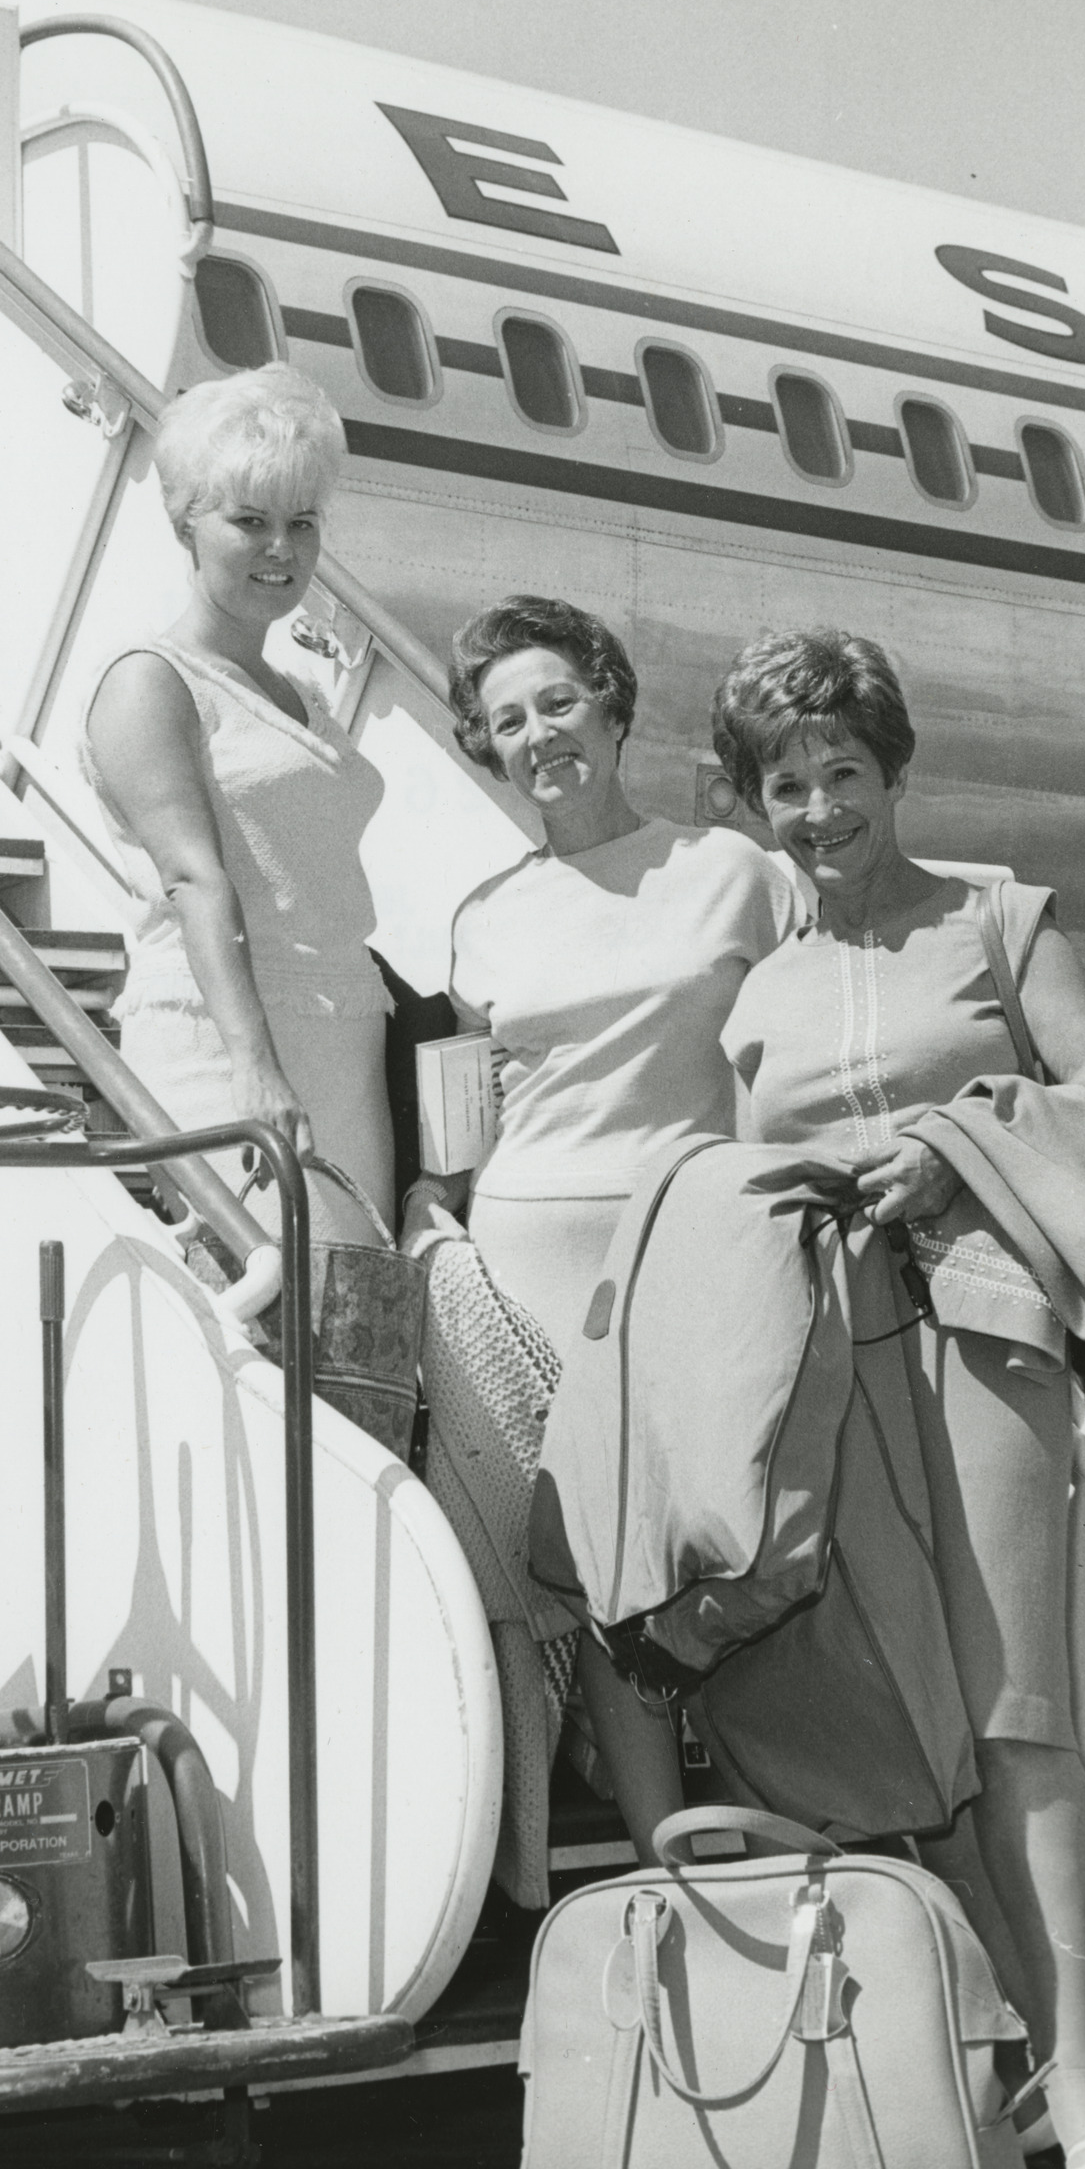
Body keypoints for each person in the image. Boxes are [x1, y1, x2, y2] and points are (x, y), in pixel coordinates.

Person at [710, 625, 1085, 2169]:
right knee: (896, 1716)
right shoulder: (755, 987)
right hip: (819, 1359)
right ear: (754, 802)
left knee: (1013, 1700)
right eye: (786, 783)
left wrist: (953, 1151)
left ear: (893, 771)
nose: (820, 806)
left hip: (980, 1332)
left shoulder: (994, 918)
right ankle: (1006, 2060)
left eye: (843, 771)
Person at [412, 593, 802, 1863]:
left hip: (695, 1247)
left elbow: (788, 1059)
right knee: (600, 1567)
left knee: (725, 1540)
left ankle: (786, 1805)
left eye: (559, 704)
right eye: (508, 719)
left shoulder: (733, 872)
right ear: (487, 745)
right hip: (532, 1262)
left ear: (614, 705)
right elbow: (465, 1115)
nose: (539, 736)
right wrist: (435, 1199)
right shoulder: (481, 916)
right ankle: (659, 1846)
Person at [78, 365, 393, 1258]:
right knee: (260, 1317)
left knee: (348, 1329)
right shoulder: (152, 681)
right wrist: (254, 1067)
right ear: (185, 520)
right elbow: (193, 877)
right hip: (227, 1044)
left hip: (341, 1040)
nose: (281, 551)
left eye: (302, 523)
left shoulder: (298, 691)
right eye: (249, 522)